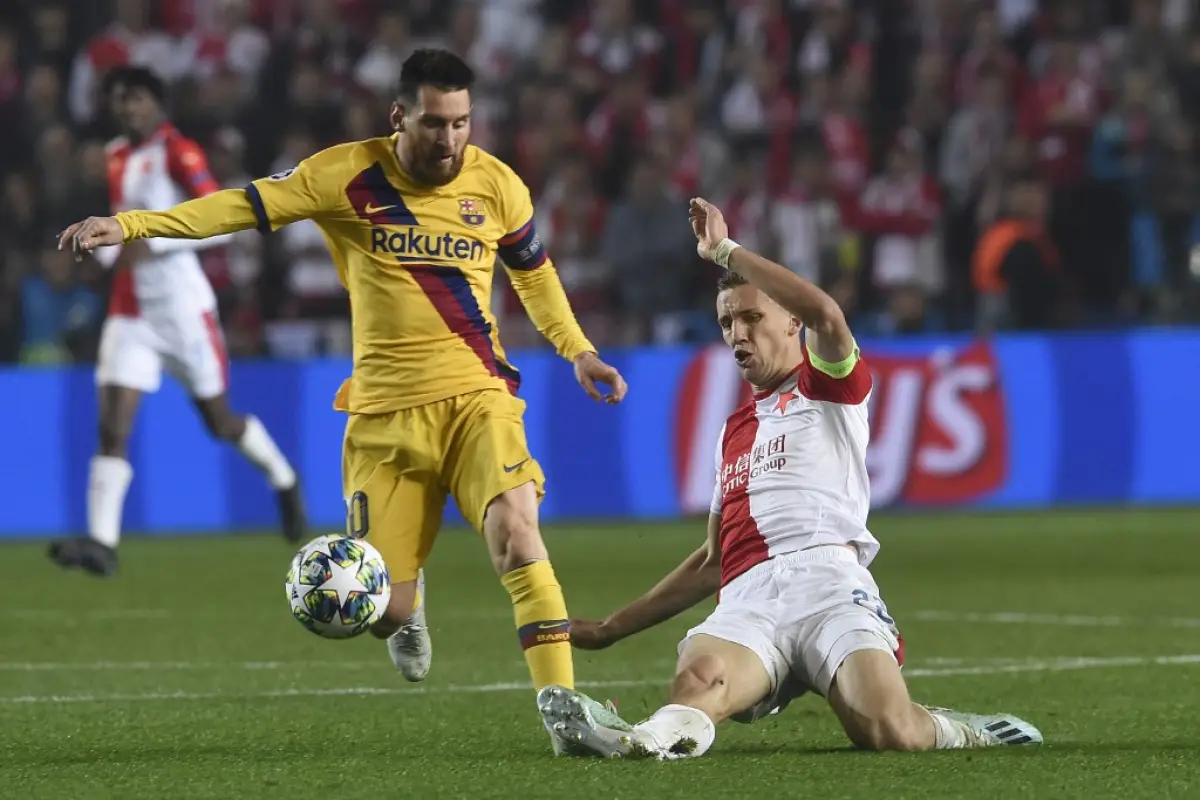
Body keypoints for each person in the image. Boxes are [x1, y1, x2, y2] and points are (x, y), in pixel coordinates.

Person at [56, 49, 628, 752]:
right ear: (399, 116)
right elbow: (238, 208)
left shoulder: (498, 185)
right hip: (384, 419)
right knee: (385, 610)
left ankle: (562, 707)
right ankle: (408, 611)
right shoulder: (343, 174)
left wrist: (578, 350)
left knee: (517, 533)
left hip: (480, 398)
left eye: (462, 123)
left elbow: (534, 277)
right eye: (434, 123)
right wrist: (134, 224)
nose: (450, 140)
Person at [536, 198, 1042, 759]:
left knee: (888, 732)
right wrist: (609, 629)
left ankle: (956, 729)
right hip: (749, 596)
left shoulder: (827, 387)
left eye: (752, 316)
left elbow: (829, 314)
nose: (736, 333)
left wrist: (725, 252)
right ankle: (636, 739)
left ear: (790, 321)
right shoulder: (732, 431)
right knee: (700, 679)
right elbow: (712, 561)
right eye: (727, 321)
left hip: (828, 583)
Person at [48, 66, 305, 578]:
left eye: (137, 99)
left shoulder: (179, 152)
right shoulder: (116, 155)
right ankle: (102, 542)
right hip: (132, 312)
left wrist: (152, 241)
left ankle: (283, 480)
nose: (128, 109)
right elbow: (121, 226)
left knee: (219, 422)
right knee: (112, 423)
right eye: (120, 100)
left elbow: (222, 225)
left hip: (184, 311)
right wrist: (98, 253)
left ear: (158, 104)